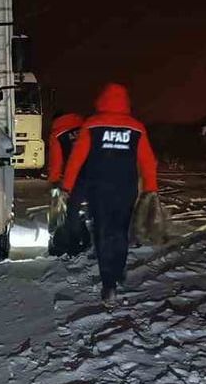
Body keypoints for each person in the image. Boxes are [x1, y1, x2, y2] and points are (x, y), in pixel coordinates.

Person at [61, 83, 158, 301]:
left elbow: (77, 159)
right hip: (126, 189)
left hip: (99, 189)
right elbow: (148, 161)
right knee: (121, 230)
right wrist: (151, 187)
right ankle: (119, 269)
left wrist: (67, 186)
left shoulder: (92, 125)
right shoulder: (136, 127)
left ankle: (109, 284)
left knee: (103, 232)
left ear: (102, 100)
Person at [46, 111, 86, 256]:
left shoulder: (57, 134)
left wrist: (54, 181)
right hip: (94, 176)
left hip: (68, 178)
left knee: (59, 210)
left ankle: (60, 244)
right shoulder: (87, 129)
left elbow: (56, 161)